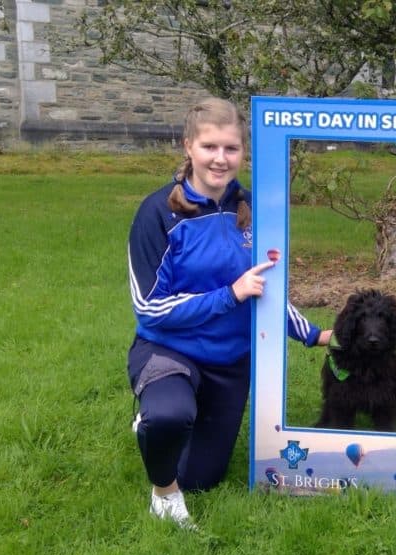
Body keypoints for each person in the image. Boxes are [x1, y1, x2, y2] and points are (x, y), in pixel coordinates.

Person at [126, 97, 331, 530]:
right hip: (169, 349)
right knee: (168, 418)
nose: (220, 159)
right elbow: (149, 308)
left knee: (201, 478)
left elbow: (266, 290)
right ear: (188, 147)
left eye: (231, 148)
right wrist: (229, 295)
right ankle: (163, 492)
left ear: (243, 152)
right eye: (209, 147)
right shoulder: (157, 213)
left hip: (229, 362)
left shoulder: (255, 211)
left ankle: (169, 427)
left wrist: (314, 335)